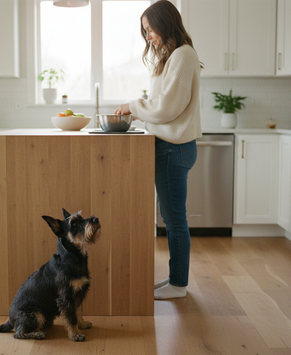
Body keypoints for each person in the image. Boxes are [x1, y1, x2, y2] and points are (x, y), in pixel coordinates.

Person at [114, 0, 202, 300]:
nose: (148, 36)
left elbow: (166, 107)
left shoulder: (183, 55)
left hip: (172, 150)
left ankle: (178, 285)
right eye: (145, 31)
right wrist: (139, 108)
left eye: (150, 29)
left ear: (165, 23)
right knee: (173, 218)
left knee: (175, 220)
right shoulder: (172, 57)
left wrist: (134, 107)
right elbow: (164, 103)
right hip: (170, 148)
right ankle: (175, 279)